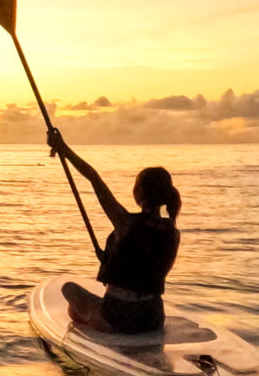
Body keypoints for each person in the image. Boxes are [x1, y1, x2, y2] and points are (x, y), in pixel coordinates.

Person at [48, 127, 180, 336]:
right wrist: (110, 260)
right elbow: (146, 269)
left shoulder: (126, 223)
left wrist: (64, 149)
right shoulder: (172, 232)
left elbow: (94, 179)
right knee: (84, 304)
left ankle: (95, 324)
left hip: (119, 317)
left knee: (69, 290)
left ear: (138, 192)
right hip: (153, 317)